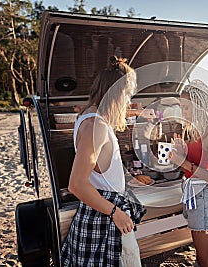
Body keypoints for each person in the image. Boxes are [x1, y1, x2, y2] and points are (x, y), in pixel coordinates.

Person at [61, 56, 145, 267]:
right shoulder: (95, 126)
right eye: (127, 94)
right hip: (105, 218)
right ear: (115, 93)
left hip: (103, 214)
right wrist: (116, 213)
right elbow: (76, 184)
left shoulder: (89, 117)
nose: (129, 101)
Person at [170, 80, 208, 267]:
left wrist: (183, 162)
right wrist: (181, 153)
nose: (183, 113)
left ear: (200, 106)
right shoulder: (197, 131)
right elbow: (196, 164)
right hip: (194, 194)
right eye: (181, 107)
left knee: (204, 258)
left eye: (186, 108)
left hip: (204, 196)